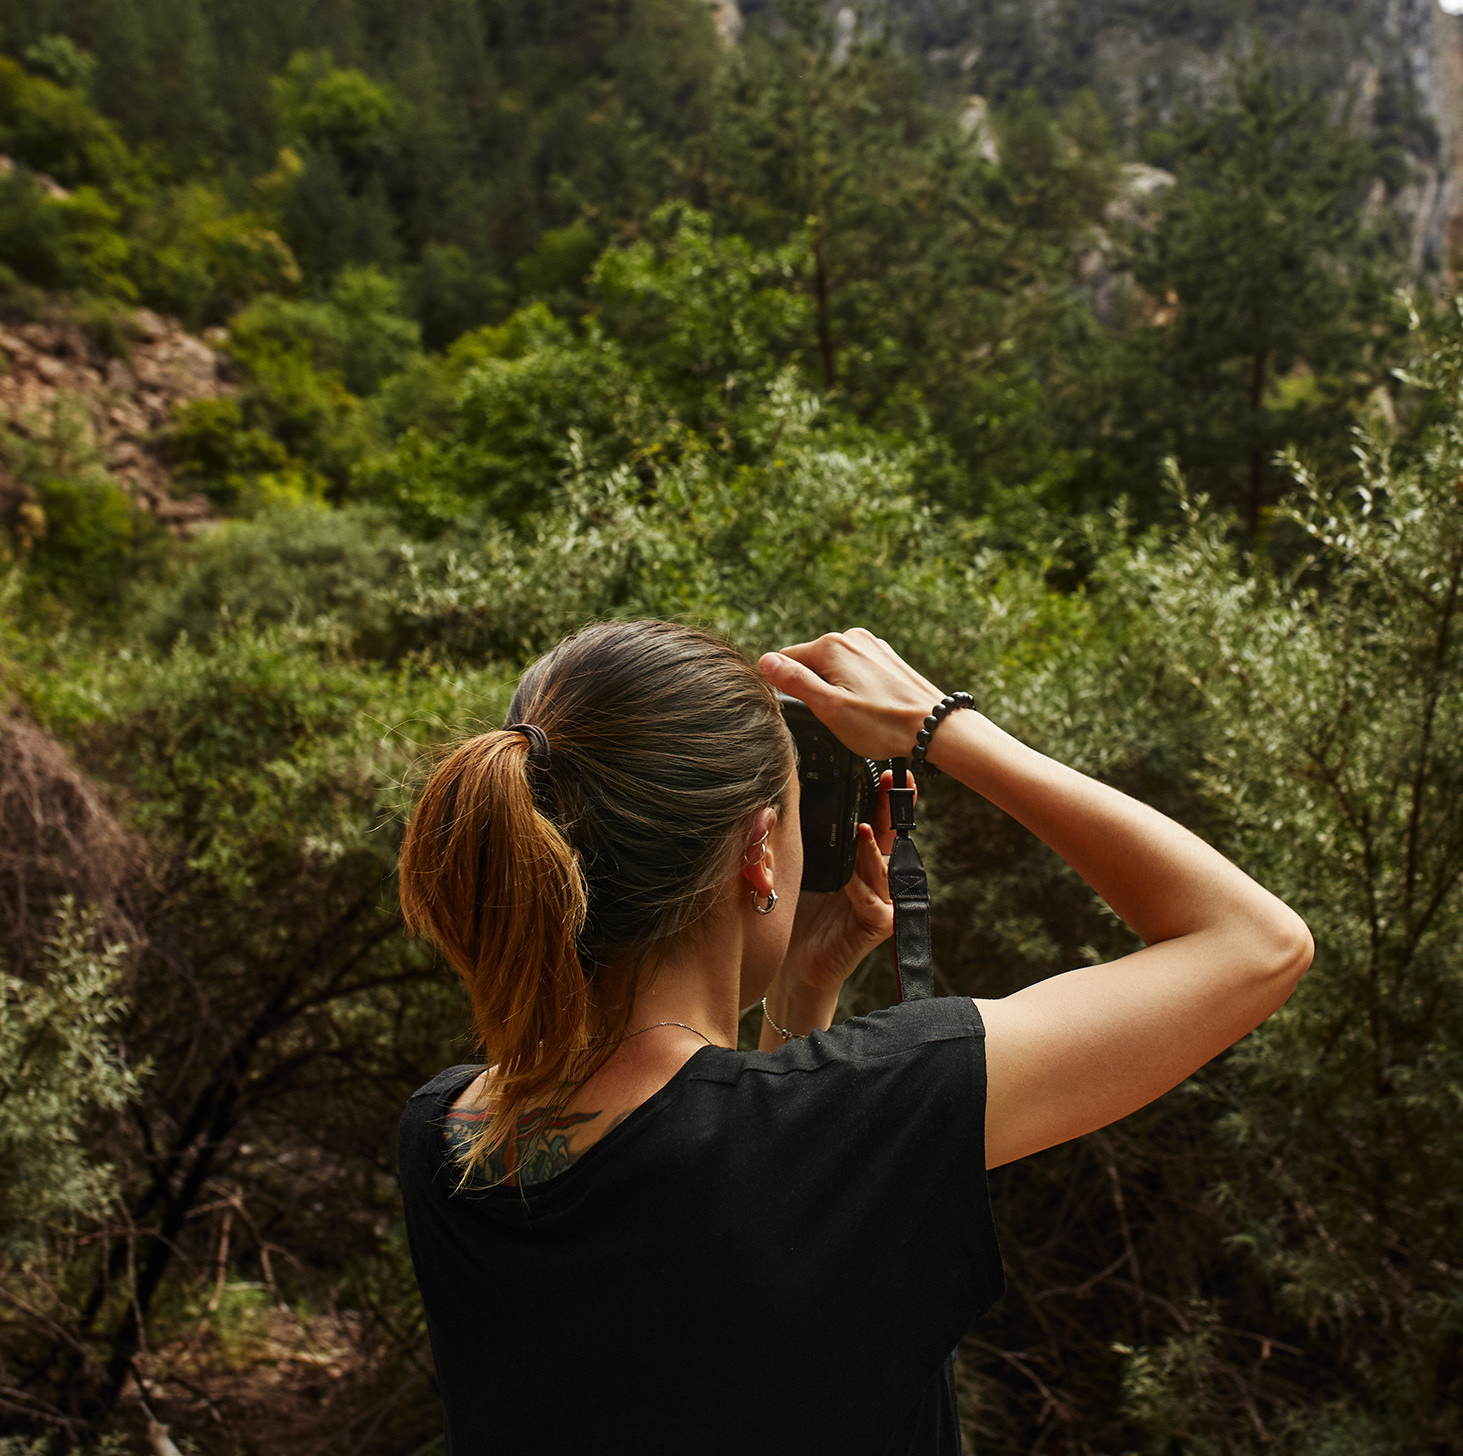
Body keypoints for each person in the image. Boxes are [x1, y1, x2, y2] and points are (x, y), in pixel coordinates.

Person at [396, 620, 1311, 1453]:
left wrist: (803, 987)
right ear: (759, 852)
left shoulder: (447, 1138)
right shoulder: (869, 1108)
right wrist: (940, 724)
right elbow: (1257, 943)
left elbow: (727, 1206)